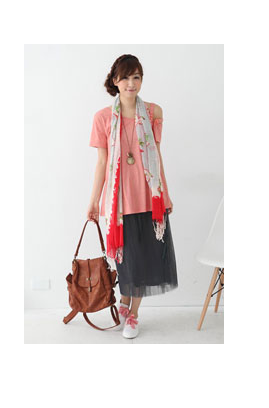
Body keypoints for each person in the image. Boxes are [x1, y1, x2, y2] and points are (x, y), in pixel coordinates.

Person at [87, 54, 178, 339]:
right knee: (127, 261)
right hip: (119, 202)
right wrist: (93, 201)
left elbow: (156, 156)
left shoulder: (153, 112)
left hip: (149, 197)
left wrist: (165, 194)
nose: (131, 83)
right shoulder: (102, 118)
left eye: (136, 77)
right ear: (115, 81)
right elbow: (102, 163)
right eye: (125, 77)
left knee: (145, 259)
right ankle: (125, 304)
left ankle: (133, 314)